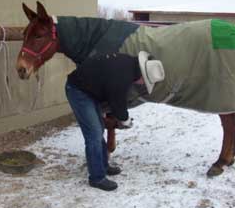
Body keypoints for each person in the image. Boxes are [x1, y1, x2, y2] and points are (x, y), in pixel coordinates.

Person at [65, 51, 165, 191]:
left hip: (88, 90)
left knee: (98, 129)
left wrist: (122, 117)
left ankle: (103, 166)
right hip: (78, 91)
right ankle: (96, 177)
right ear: (143, 75)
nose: (142, 84)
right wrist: (125, 120)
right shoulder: (124, 75)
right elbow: (117, 102)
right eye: (145, 81)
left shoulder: (128, 64)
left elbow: (115, 96)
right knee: (93, 133)